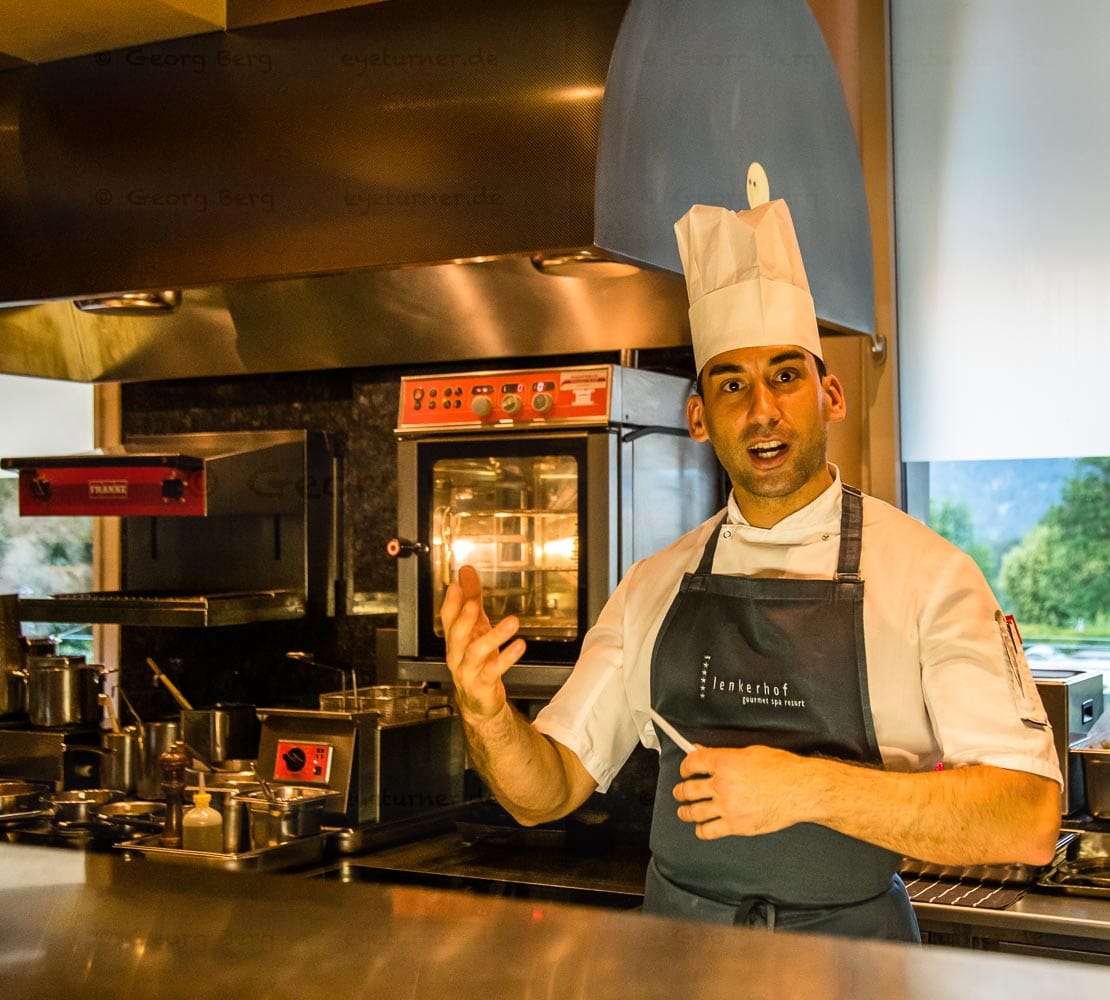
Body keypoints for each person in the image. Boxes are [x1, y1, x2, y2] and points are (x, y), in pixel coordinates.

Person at [440, 198, 1063, 943]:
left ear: (830, 394)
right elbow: (545, 791)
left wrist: (804, 787)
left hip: (853, 975)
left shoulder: (930, 577)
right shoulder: (653, 586)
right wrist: (486, 715)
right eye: (732, 384)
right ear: (699, 416)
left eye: (785, 377)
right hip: (678, 966)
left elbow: (1025, 817)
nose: (762, 410)